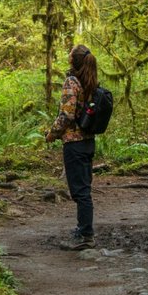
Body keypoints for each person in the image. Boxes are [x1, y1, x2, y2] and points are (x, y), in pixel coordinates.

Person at [45, 43, 98, 250]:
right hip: (88, 141)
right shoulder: (91, 82)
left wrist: (51, 133)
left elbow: (66, 114)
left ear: (73, 61)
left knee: (80, 191)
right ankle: (83, 230)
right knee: (84, 189)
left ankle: (85, 234)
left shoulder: (72, 82)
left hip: (74, 143)